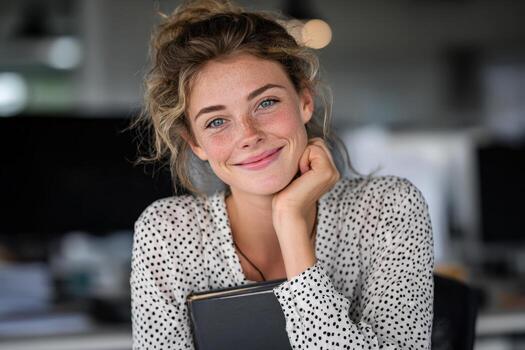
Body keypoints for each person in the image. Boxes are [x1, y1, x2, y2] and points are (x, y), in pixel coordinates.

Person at [130, 0, 434, 349]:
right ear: (195, 142)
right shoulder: (168, 233)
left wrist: (289, 222)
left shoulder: (385, 208)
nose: (248, 135)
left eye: (266, 103)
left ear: (304, 99)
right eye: (216, 122)